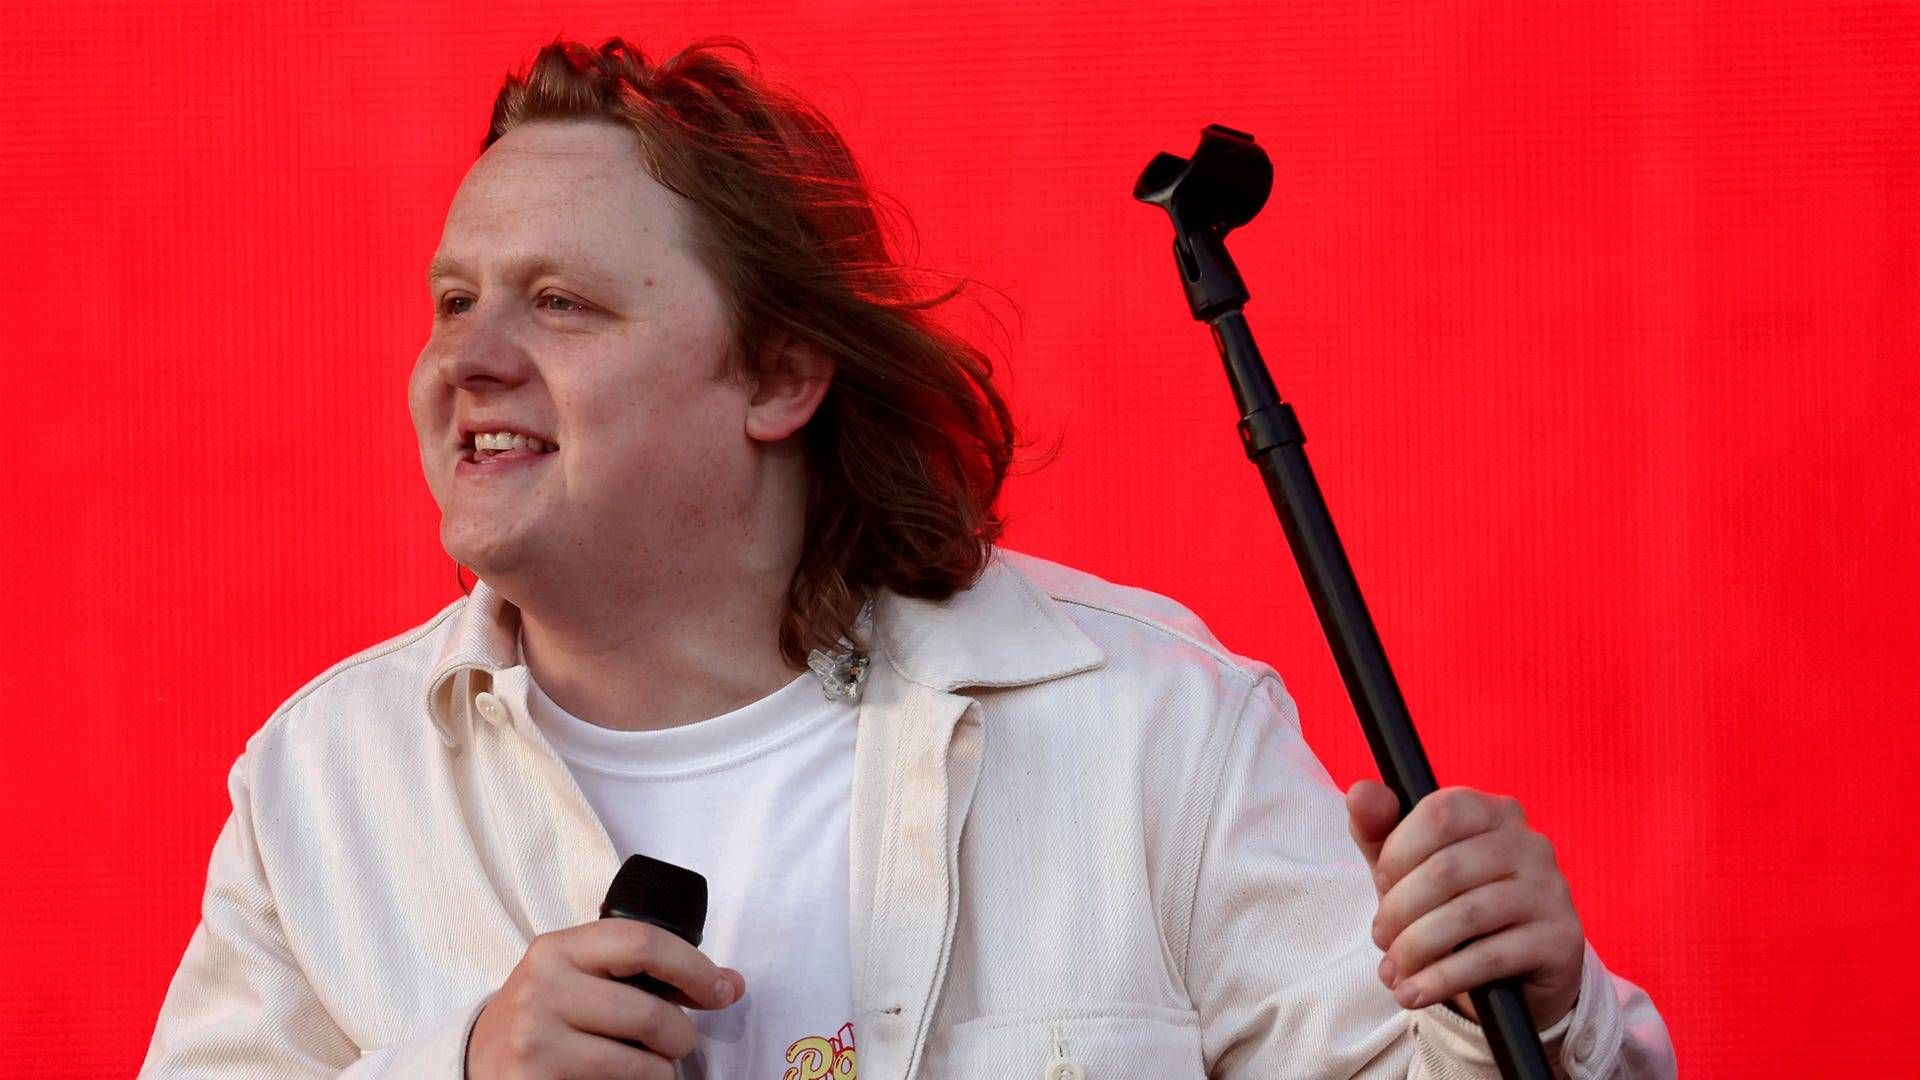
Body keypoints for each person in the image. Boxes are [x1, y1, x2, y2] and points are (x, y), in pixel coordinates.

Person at [141, 35, 1677, 1080]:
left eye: (559, 303)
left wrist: (1533, 1013)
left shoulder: (1150, 724)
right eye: (452, 299)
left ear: (779, 376)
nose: (464, 358)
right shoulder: (318, 792)